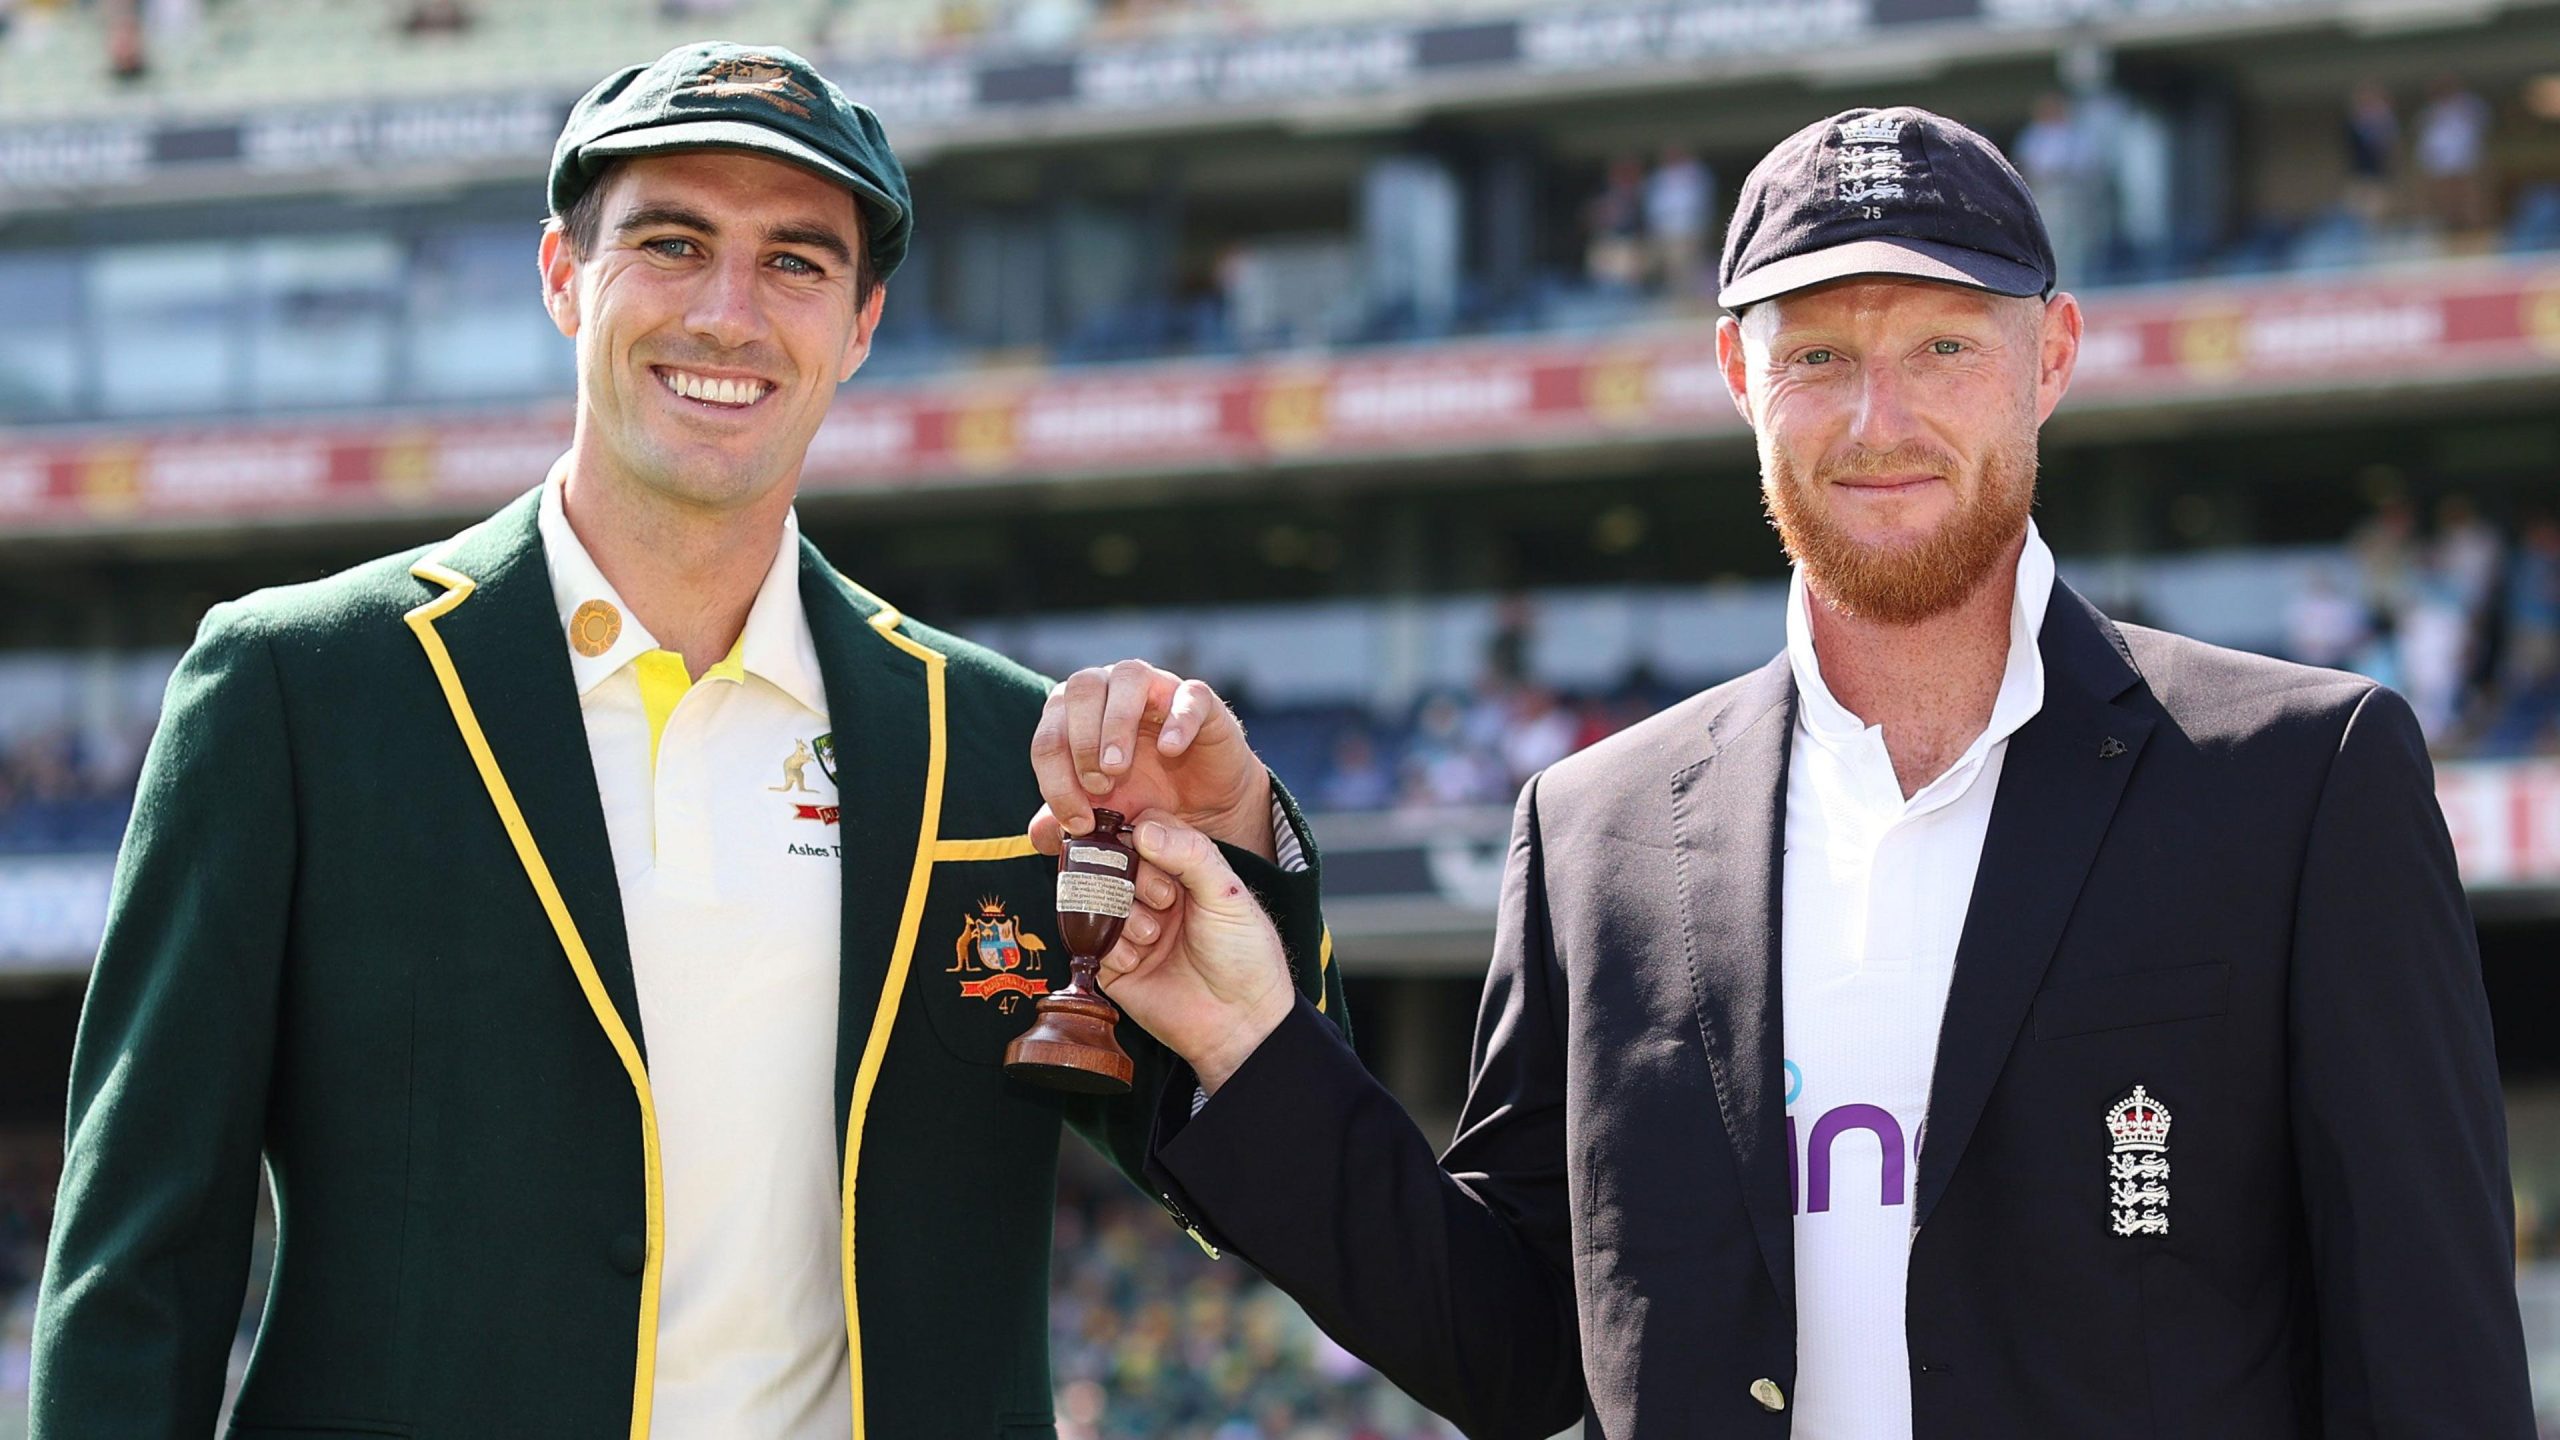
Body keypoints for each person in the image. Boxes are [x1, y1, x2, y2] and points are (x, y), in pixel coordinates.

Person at [1046, 106, 2535, 1437]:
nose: (1879, 420)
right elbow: (1507, 1351)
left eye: (1944, 346)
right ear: (1736, 377)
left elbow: (2431, 1364)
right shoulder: (1595, 827)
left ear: (2053, 358)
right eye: (1818, 354)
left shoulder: (2298, 775)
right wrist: (1246, 1035)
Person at [29, 41, 1343, 1439]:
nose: (730, 312)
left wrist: (1247, 844)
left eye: (795, 262)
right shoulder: (298, 689)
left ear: (860, 326)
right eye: (672, 243)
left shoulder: (1002, 752)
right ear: (560, 277)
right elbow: (138, 1269)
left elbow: (1271, 1180)